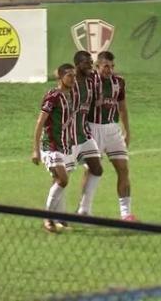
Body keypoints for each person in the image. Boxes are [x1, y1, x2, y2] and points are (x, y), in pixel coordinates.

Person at [81, 51, 137, 221]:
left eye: (112, 67)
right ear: (97, 66)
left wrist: (126, 130)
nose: (109, 70)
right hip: (93, 128)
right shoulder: (89, 80)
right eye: (106, 66)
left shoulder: (119, 82)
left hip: (113, 130)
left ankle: (126, 213)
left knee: (123, 168)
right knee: (91, 170)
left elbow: (122, 108)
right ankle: (84, 210)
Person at [32, 63, 77, 233]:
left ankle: (59, 217)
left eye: (74, 75)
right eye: (69, 76)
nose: (73, 79)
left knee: (58, 181)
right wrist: (35, 149)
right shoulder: (53, 96)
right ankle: (47, 217)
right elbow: (40, 122)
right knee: (63, 179)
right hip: (50, 146)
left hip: (64, 146)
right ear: (60, 77)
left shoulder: (70, 95)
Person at [71, 51, 104, 216]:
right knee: (62, 177)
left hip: (84, 134)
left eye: (91, 62)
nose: (90, 66)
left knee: (96, 168)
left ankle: (84, 210)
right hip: (69, 136)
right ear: (77, 64)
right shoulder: (70, 83)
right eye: (87, 63)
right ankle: (53, 216)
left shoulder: (91, 82)